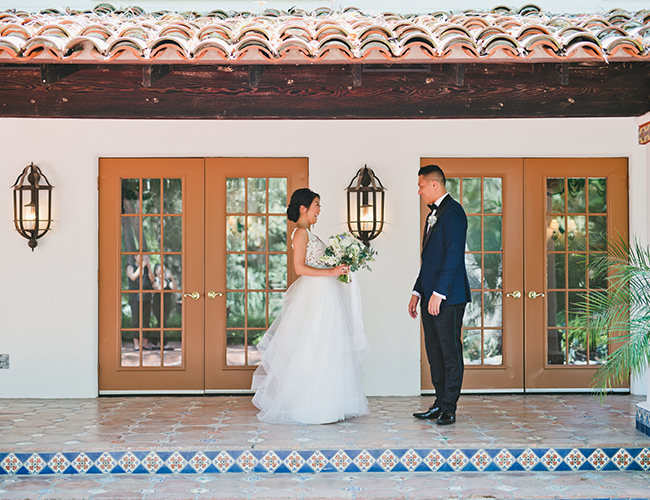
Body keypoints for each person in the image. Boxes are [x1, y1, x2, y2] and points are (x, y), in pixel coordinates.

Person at [251, 188, 370, 424]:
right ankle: (313, 406)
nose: (319, 210)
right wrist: (331, 271)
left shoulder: (310, 233)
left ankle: (331, 402)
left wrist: (339, 267)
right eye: (316, 205)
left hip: (327, 292)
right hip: (315, 294)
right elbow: (299, 268)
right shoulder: (300, 233)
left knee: (328, 346)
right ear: (304, 208)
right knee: (315, 345)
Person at [409, 165, 471, 425]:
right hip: (430, 294)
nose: (420, 191)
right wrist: (417, 291)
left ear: (434, 184)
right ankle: (439, 401)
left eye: (421, 186)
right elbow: (429, 260)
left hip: (449, 296)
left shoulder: (454, 212)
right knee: (433, 351)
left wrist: (438, 293)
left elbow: (453, 256)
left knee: (449, 352)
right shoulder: (431, 216)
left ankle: (449, 407)